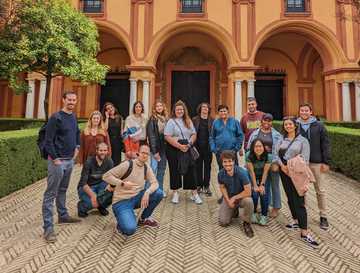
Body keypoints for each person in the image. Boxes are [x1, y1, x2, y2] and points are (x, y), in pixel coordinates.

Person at [42, 90, 81, 243]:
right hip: (57, 161)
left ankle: (63, 216)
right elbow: (48, 140)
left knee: (63, 190)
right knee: (50, 194)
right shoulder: (55, 117)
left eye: (74, 100)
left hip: (69, 160)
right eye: (69, 100)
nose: (71, 102)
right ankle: (48, 228)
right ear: (63, 100)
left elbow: (77, 132)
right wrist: (55, 158)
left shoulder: (73, 117)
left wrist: (77, 147)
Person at [275, 117, 319, 247]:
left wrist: (291, 168)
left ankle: (304, 232)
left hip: (297, 173)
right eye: (286, 124)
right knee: (289, 197)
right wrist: (282, 167)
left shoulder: (303, 141)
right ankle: (295, 220)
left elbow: (305, 159)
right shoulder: (281, 138)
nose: (288, 126)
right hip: (284, 171)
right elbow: (275, 153)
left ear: (295, 125)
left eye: (290, 124)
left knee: (299, 200)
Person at [103, 144, 163, 236]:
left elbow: (155, 183)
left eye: (147, 154)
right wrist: (122, 183)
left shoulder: (146, 167)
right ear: (138, 153)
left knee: (158, 193)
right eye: (143, 152)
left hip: (136, 198)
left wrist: (147, 192)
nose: (145, 155)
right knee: (130, 229)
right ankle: (121, 223)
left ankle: (143, 219)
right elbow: (106, 176)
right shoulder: (127, 164)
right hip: (121, 201)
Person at [297, 103, 330, 230]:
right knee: (302, 190)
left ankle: (323, 216)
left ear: (311, 112)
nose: (304, 112)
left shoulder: (319, 125)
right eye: (302, 110)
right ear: (299, 112)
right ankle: (303, 215)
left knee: (320, 190)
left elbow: (325, 144)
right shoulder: (296, 125)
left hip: (316, 162)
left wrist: (326, 162)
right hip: (301, 163)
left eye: (306, 110)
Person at [164, 100, 202, 204]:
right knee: (174, 170)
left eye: (181, 109)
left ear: (184, 110)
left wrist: (189, 144)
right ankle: (175, 193)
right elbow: (167, 136)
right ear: (174, 111)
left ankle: (194, 194)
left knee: (191, 169)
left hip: (187, 146)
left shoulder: (188, 120)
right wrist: (179, 146)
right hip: (174, 148)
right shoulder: (171, 121)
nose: (180, 111)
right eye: (177, 109)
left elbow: (194, 134)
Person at [247, 113, 282, 218]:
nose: (267, 123)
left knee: (274, 185)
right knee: (261, 184)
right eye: (265, 120)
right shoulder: (255, 133)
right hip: (259, 161)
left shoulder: (277, 135)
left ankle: (276, 207)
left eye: (269, 121)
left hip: (273, 162)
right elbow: (249, 147)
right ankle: (263, 206)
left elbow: (280, 151)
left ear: (272, 122)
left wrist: (276, 163)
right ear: (261, 121)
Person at [218, 150, 255, 238]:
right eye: (225, 162)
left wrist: (234, 198)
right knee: (223, 222)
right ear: (222, 163)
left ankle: (246, 223)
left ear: (234, 161)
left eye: (230, 161)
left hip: (241, 197)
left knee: (249, 201)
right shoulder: (220, 174)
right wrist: (228, 200)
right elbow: (222, 187)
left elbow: (248, 192)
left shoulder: (242, 173)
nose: (227, 164)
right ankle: (234, 210)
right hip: (229, 197)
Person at [77, 142, 114, 217]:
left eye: (105, 150)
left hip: (101, 185)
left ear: (107, 151)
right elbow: (83, 183)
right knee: (92, 203)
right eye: (101, 150)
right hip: (87, 186)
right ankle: (81, 207)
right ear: (96, 151)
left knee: (111, 195)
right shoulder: (89, 162)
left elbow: (111, 178)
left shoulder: (109, 161)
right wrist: (93, 196)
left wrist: (111, 187)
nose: (103, 152)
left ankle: (101, 206)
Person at [246, 139, 271, 226]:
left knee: (263, 193)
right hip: (252, 175)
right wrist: (255, 185)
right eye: (256, 146)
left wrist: (262, 185)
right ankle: (254, 213)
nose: (258, 148)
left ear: (263, 147)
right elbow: (251, 172)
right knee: (254, 193)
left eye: (260, 146)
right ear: (253, 147)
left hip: (263, 176)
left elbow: (265, 172)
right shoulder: (248, 155)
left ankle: (264, 215)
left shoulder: (268, 156)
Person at [147, 100, 168, 197]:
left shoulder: (166, 119)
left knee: (161, 170)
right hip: (155, 149)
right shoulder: (152, 119)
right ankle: (149, 191)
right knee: (153, 170)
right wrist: (155, 152)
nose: (159, 107)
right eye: (157, 106)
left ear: (163, 107)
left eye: (161, 106)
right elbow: (151, 136)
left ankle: (159, 190)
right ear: (154, 109)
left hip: (164, 148)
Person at [192, 102, 214, 196]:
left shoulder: (212, 120)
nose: (205, 108)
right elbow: (191, 132)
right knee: (198, 167)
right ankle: (199, 185)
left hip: (208, 147)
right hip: (197, 147)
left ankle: (206, 186)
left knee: (207, 167)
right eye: (203, 107)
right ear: (200, 109)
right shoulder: (195, 120)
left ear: (209, 109)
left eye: (206, 107)